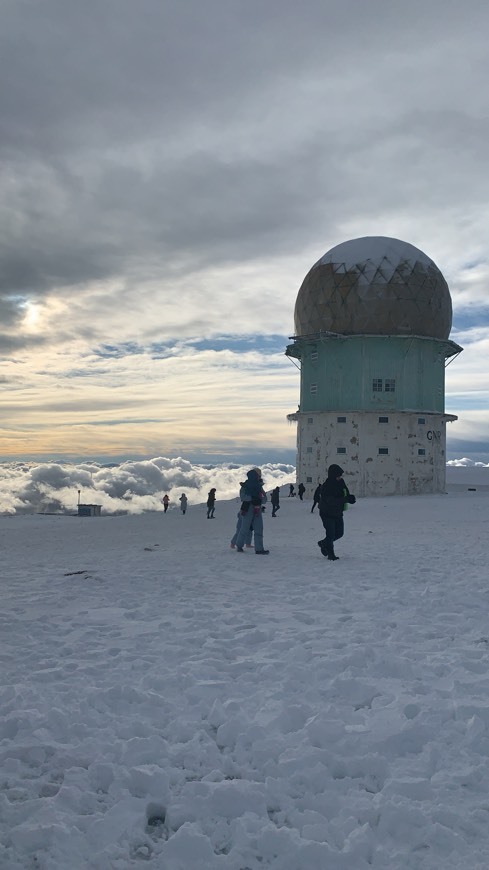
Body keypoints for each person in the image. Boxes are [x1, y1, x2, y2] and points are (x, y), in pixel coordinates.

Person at [317, 464, 356, 561]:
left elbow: (345, 492)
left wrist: (349, 498)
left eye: (340, 475)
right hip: (326, 513)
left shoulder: (341, 482)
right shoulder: (326, 486)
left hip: (337, 512)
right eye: (338, 476)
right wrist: (345, 499)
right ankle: (331, 555)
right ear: (332, 475)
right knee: (330, 534)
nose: (340, 477)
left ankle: (323, 543)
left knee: (339, 533)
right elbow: (331, 501)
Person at [234, 468, 269, 554]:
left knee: (258, 529)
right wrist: (255, 499)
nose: (259, 477)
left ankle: (258, 549)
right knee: (245, 528)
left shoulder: (256, 486)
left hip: (253, 509)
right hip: (250, 509)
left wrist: (257, 500)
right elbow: (243, 497)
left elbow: (264, 499)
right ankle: (240, 546)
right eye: (258, 475)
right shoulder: (249, 487)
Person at [230, 484, 255, 548]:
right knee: (240, 530)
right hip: (244, 513)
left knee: (249, 530)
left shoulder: (249, 496)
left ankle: (248, 543)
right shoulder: (247, 497)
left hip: (249, 514)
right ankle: (233, 543)